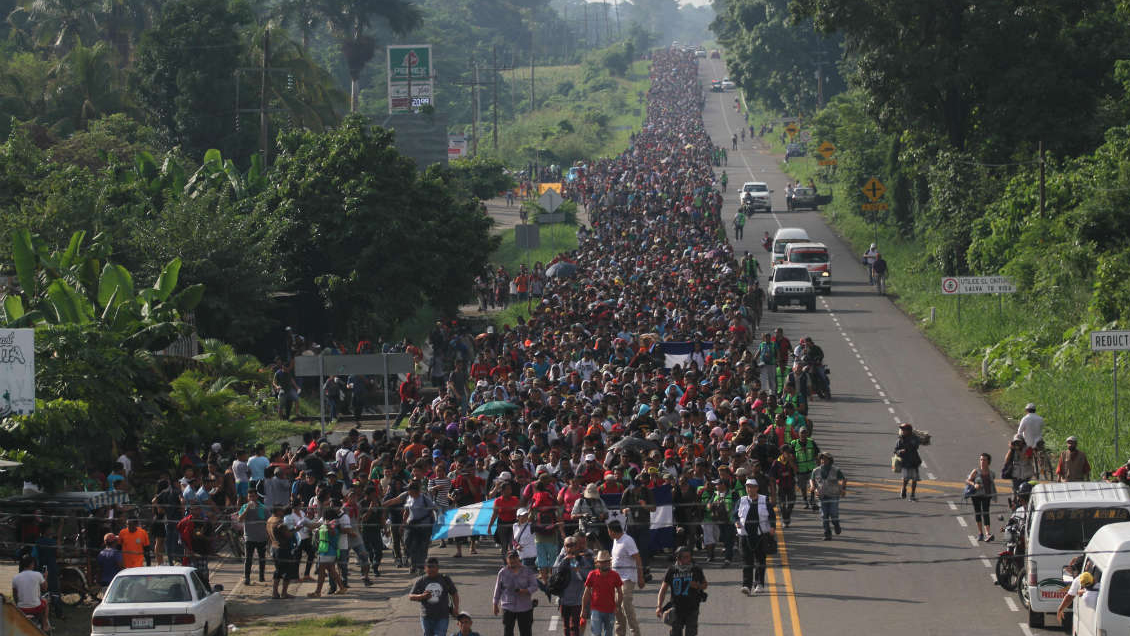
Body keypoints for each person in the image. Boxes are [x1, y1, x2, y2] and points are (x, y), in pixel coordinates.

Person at [734, 479, 774, 595]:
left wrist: (772, 527)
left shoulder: (764, 500)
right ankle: (746, 585)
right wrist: (736, 521)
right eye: (748, 487)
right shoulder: (741, 500)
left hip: (760, 535)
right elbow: (734, 515)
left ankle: (759, 584)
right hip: (745, 535)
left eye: (752, 487)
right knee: (747, 561)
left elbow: (771, 515)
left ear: (756, 488)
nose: (750, 489)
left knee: (760, 560)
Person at [656, 546, 707, 636]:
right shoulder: (672, 571)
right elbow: (663, 589)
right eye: (685, 557)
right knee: (676, 632)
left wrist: (697, 585)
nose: (688, 559)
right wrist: (659, 606)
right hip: (676, 608)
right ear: (678, 557)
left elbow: (705, 584)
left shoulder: (696, 569)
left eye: (689, 556)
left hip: (692, 607)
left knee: (691, 633)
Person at [554, 534, 595, 636]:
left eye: (572, 545)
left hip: (577, 600)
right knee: (566, 627)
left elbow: (588, 576)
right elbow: (554, 572)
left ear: (577, 547)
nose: (570, 548)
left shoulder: (582, 559)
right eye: (568, 545)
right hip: (564, 599)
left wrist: (578, 569)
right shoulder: (561, 558)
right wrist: (565, 561)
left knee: (574, 626)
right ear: (564, 547)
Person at [608, 521, 644, 636]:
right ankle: (620, 633)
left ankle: (635, 633)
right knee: (617, 609)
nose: (608, 533)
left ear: (612, 531)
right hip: (615, 580)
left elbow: (637, 558)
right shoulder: (615, 540)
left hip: (627, 579)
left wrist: (641, 577)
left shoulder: (627, 540)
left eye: (608, 531)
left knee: (626, 605)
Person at [492, 550, 539, 636]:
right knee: (508, 632)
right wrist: (495, 604)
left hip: (525, 607)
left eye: (514, 558)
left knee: (526, 632)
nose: (513, 561)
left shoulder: (527, 571)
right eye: (510, 558)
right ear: (507, 560)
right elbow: (498, 589)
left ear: (518, 558)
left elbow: (534, 586)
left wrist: (525, 591)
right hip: (508, 606)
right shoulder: (502, 572)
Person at [409, 557, 459, 636]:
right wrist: (422, 596)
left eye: (434, 567)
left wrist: (456, 608)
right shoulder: (421, 580)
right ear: (425, 568)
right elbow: (411, 596)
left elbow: (454, 593)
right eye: (429, 567)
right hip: (426, 617)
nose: (431, 569)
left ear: (438, 568)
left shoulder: (445, 579)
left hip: (442, 616)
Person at [582, 550, 623, 636]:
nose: (605, 564)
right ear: (597, 563)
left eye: (606, 562)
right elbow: (586, 593)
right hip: (596, 609)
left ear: (609, 562)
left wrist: (618, 606)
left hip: (610, 610)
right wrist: (583, 609)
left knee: (608, 633)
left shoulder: (615, 575)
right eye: (602, 562)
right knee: (596, 634)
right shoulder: (592, 574)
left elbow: (620, 592)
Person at [809, 453, 846, 540]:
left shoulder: (836, 470)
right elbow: (812, 479)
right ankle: (827, 534)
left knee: (833, 514)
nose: (823, 461)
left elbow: (843, 479)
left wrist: (842, 489)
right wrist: (812, 486)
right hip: (822, 496)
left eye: (825, 459)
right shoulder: (816, 470)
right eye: (822, 459)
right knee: (824, 516)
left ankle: (836, 524)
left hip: (833, 495)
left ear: (830, 460)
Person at [238, 488, 269, 586]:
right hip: (249, 537)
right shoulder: (244, 507)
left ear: (257, 496)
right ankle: (247, 577)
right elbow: (240, 519)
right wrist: (247, 509)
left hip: (261, 537)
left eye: (253, 496)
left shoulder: (263, 508)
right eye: (249, 496)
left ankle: (261, 576)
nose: (251, 498)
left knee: (262, 558)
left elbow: (268, 521)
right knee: (248, 558)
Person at [12, 555, 49, 632]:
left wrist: (18, 604)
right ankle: (45, 624)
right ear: (32, 564)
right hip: (36, 607)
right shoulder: (38, 575)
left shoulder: (15, 577)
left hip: (21, 608)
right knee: (45, 602)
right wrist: (45, 577)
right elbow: (45, 588)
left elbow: (15, 595)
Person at [966, 453, 997, 542]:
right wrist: (974, 484)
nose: (982, 462)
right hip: (976, 495)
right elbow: (968, 480)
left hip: (986, 496)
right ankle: (980, 534)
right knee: (978, 513)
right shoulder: (976, 471)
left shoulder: (991, 473)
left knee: (986, 513)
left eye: (984, 460)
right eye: (981, 460)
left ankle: (987, 533)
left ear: (988, 462)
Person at [270, 507, 297, 599]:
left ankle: (275, 592)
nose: (283, 513)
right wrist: (297, 529)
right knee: (287, 571)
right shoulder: (279, 522)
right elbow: (288, 535)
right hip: (283, 549)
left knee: (278, 570)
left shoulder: (269, 520)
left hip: (274, 547)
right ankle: (284, 593)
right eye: (282, 511)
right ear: (278, 511)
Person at [894, 423, 922, 501]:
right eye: (902, 430)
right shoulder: (900, 440)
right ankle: (903, 488)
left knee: (914, 479)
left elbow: (915, 446)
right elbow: (895, 450)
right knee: (905, 478)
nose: (902, 431)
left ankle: (912, 494)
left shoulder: (914, 438)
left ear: (909, 431)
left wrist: (908, 444)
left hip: (914, 461)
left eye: (904, 430)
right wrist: (900, 451)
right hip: (905, 462)